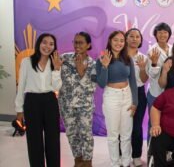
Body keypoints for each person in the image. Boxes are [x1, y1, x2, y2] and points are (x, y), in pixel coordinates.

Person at [15, 33, 62, 167]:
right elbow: (21, 87)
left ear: (54, 47)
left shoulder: (55, 62)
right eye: (44, 42)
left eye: (51, 44)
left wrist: (57, 69)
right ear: (38, 43)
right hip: (32, 102)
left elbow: (56, 87)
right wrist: (19, 109)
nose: (47, 46)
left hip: (50, 101)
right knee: (34, 140)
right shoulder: (26, 62)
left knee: (53, 139)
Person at [96, 30, 138, 167]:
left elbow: (132, 80)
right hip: (111, 97)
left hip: (127, 95)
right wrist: (105, 66)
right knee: (113, 135)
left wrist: (135, 102)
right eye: (116, 40)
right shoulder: (102, 58)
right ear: (110, 41)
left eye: (121, 40)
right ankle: (115, 163)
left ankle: (126, 163)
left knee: (126, 134)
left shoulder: (127, 58)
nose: (119, 43)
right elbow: (102, 84)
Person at [59, 32, 97, 167]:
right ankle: (78, 160)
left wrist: (81, 72)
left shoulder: (93, 64)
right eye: (75, 42)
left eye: (80, 42)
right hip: (66, 104)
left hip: (84, 106)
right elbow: (56, 76)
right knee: (71, 133)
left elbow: (92, 87)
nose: (77, 45)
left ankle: (87, 162)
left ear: (88, 45)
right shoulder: (65, 58)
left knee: (85, 133)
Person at [125, 28, 149, 166]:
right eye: (131, 36)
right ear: (126, 38)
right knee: (122, 127)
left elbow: (144, 80)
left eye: (137, 37)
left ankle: (136, 156)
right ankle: (123, 156)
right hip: (122, 92)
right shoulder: (120, 56)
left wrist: (141, 68)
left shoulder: (143, 58)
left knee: (136, 127)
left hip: (139, 93)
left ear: (140, 40)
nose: (134, 39)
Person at [146, 22, 173, 118]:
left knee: (168, 119)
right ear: (155, 35)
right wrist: (154, 63)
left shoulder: (173, 48)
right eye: (159, 32)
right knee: (154, 120)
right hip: (156, 91)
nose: (162, 35)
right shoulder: (152, 51)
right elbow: (151, 75)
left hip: (171, 89)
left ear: (169, 34)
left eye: (165, 32)